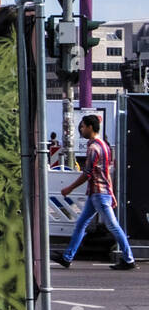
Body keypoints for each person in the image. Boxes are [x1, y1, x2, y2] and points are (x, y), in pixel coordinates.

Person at [51, 114, 136, 270]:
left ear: (90, 127)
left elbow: (87, 173)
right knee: (81, 224)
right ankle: (67, 257)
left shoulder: (93, 148)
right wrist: (112, 193)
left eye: (83, 126)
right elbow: (107, 173)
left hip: (99, 194)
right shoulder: (104, 145)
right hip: (98, 193)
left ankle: (129, 259)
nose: (81, 130)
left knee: (113, 227)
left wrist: (69, 188)